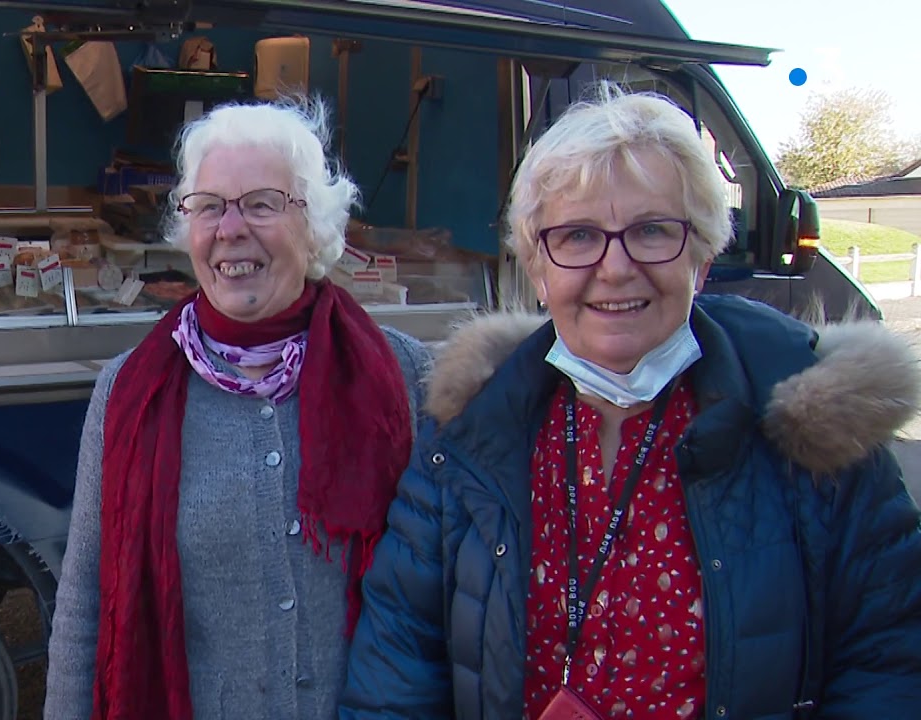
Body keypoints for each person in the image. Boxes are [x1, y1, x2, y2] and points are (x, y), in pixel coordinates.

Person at [339, 85, 921, 719]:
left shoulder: (814, 435)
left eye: (650, 230)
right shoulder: (466, 438)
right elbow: (398, 672)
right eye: (578, 236)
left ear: (700, 258)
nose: (614, 268)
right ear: (538, 268)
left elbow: (889, 664)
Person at [43, 98, 431, 720]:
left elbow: (450, 588)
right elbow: (86, 599)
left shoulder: (404, 374)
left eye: (262, 203)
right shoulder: (128, 394)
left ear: (314, 223)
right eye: (210, 206)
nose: (230, 229)